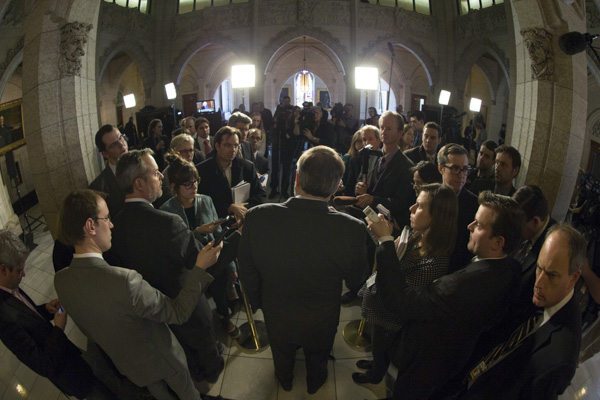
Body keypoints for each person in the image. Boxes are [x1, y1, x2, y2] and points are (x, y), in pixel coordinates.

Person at [54, 190, 221, 400]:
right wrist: (199, 268)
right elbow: (178, 313)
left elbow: (90, 332)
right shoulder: (124, 281)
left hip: (131, 367)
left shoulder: (61, 280)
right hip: (164, 360)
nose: (112, 225)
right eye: (106, 218)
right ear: (91, 226)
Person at [369, 191, 524, 400]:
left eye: (478, 225)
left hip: (430, 364)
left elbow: (401, 301)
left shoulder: (463, 285)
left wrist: (386, 241)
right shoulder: (511, 267)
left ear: (497, 242)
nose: (469, 226)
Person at [238, 146, 368, 394]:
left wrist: (260, 303)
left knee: (282, 355)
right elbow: (356, 281)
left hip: (277, 312)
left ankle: (285, 380)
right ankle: (315, 383)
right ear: (336, 186)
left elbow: (247, 269)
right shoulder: (352, 228)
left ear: (296, 179)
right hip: (322, 316)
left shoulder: (257, 216)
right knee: (318, 356)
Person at [107, 149, 225, 384]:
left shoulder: (114, 227)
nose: (161, 176)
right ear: (139, 183)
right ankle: (211, 373)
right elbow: (200, 261)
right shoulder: (168, 222)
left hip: (151, 311)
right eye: (155, 172)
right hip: (184, 303)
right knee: (203, 345)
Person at [457, 223, 584, 399]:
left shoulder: (560, 359)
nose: (538, 283)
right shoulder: (545, 294)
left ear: (574, 278)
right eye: (539, 268)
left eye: (552, 275)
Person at [353, 183, 457, 385]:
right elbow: (394, 262)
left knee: (381, 345)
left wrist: (385, 239)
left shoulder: (436, 261)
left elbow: (398, 292)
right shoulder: (418, 233)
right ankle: (376, 364)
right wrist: (386, 241)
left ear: (436, 216)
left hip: (390, 317)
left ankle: (376, 375)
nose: (411, 208)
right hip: (381, 307)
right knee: (377, 344)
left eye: (418, 206)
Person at [0, 229, 104, 399]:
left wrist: (45, 309)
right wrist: (59, 328)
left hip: (69, 355)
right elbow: (42, 365)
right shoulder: (3, 319)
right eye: (19, 270)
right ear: (3, 269)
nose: (24, 274)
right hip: (66, 373)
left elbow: (28, 315)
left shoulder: (10, 285)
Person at [160, 154, 241, 338]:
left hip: (212, 257)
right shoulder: (166, 211)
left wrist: (232, 267)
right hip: (189, 265)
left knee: (220, 288)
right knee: (198, 304)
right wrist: (199, 232)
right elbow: (178, 245)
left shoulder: (205, 200)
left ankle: (223, 317)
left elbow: (219, 236)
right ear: (174, 187)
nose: (194, 186)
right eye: (187, 184)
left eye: (196, 181)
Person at [354, 111, 415, 227]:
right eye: (381, 127)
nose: (383, 132)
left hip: (386, 225)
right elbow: (359, 182)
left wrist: (373, 200)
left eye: (389, 129)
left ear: (400, 133)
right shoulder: (371, 156)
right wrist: (358, 188)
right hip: (364, 219)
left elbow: (400, 203)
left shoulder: (407, 166)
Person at [196, 126, 266, 220]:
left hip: (243, 221)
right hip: (215, 222)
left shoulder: (247, 167)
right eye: (227, 145)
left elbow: (260, 195)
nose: (233, 150)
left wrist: (242, 211)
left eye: (236, 146)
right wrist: (228, 207)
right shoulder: (202, 170)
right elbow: (200, 200)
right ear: (217, 146)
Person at [437, 143, 479, 273]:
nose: (461, 175)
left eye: (465, 169)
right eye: (455, 168)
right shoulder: (429, 197)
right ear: (441, 168)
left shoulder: (475, 204)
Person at [90, 124, 128, 216]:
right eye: (114, 144)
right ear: (105, 154)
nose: (121, 144)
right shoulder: (98, 187)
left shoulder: (142, 164)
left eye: (120, 138)